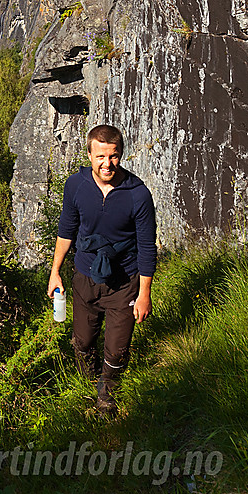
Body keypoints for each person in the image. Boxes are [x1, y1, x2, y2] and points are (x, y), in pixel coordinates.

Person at [47, 124, 156, 415]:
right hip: (85, 276)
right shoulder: (76, 186)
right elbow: (66, 230)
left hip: (124, 281)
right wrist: (55, 271)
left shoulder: (138, 195)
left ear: (121, 154)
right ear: (89, 154)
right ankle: (90, 378)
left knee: (118, 348)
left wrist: (144, 294)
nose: (107, 164)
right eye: (101, 157)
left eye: (114, 156)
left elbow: (147, 247)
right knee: (82, 341)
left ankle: (107, 393)